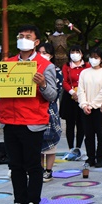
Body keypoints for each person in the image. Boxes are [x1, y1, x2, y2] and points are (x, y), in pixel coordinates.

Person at [0, 25, 58, 204]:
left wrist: (43, 84)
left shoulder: (46, 66)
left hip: (33, 121)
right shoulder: (8, 63)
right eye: (21, 36)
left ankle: (33, 203)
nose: (23, 39)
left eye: (28, 36)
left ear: (36, 42)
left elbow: (52, 95)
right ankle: (18, 201)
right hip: (9, 120)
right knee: (15, 164)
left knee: (33, 164)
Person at [78, 47, 102, 168]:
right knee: (89, 135)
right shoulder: (84, 72)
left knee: (101, 135)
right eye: (91, 57)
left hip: (99, 109)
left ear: (101, 59)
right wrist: (84, 105)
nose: (93, 59)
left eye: (96, 57)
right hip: (85, 109)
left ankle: (100, 157)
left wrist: (91, 105)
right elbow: (81, 90)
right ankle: (90, 158)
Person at [36, 43, 63, 182]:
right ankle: (39, 170)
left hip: (51, 108)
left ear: (51, 55)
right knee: (39, 143)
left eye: (45, 52)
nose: (42, 55)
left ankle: (48, 170)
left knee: (51, 143)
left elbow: (55, 92)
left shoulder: (56, 70)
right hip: (36, 109)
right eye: (39, 52)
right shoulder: (32, 69)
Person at [60, 45, 90, 160]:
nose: (75, 54)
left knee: (81, 123)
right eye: (73, 51)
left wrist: (81, 94)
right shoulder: (66, 66)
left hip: (83, 96)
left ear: (82, 54)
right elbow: (65, 81)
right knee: (70, 124)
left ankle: (78, 147)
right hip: (70, 97)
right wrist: (73, 92)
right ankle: (70, 148)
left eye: (78, 51)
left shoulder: (87, 66)